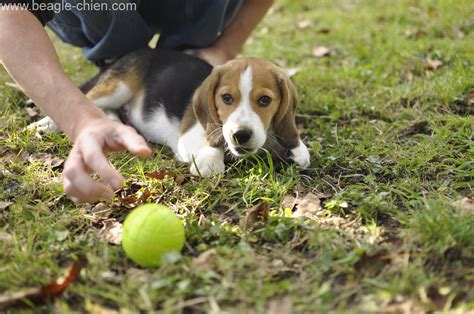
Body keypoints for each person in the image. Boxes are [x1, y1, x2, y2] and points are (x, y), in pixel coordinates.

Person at [0, 0, 273, 202]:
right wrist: (78, 117)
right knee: (125, 70)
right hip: (104, 17)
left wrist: (224, 48)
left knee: (172, 66)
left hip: (196, 22)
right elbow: (9, 12)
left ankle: (184, 50)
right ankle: (114, 65)